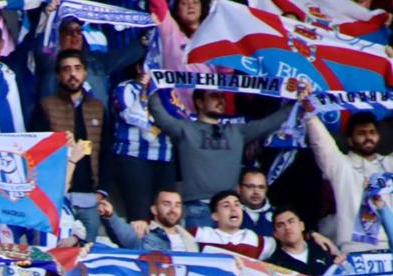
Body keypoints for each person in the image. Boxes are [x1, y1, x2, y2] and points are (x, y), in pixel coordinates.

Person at [149, 88, 299, 230]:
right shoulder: (185, 129)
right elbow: (160, 115)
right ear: (200, 103)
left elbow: (270, 123)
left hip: (230, 208)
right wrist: (151, 87)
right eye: (214, 96)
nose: (221, 101)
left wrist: (297, 100)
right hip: (197, 207)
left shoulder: (237, 131)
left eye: (222, 97)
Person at [32, 51, 105, 242]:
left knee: (87, 256)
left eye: (77, 68)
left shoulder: (98, 107)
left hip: (89, 197)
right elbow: (37, 153)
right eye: (66, 69)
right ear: (58, 75)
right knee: (56, 254)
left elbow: (106, 150)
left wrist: (102, 191)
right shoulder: (45, 107)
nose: (73, 74)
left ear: (85, 72)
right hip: (57, 196)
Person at [307, 111, 393, 251]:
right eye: (361, 133)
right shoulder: (341, 166)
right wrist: (310, 114)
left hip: (390, 245)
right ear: (349, 140)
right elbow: (321, 143)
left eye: (372, 132)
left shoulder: (389, 164)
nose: (368, 137)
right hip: (355, 248)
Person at [111, 66, 175, 224]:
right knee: (139, 216)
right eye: (151, 66)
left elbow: (180, 117)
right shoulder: (125, 87)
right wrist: (145, 90)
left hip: (164, 156)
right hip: (133, 156)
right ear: (139, 67)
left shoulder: (169, 89)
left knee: (167, 215)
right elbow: (131, 116)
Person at [268, 206, 339, 276]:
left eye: (291, 222)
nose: (287, 227)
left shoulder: (322, 249)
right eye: (280, 225)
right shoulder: (274, 265)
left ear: (302, 225)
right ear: (275, 234)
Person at [238, 169, 274, 236]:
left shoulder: (278, 215)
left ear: (266, 190)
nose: (256, 192)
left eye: (261, 187)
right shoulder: (228, 213)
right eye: (250, 187)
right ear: (239, 189)